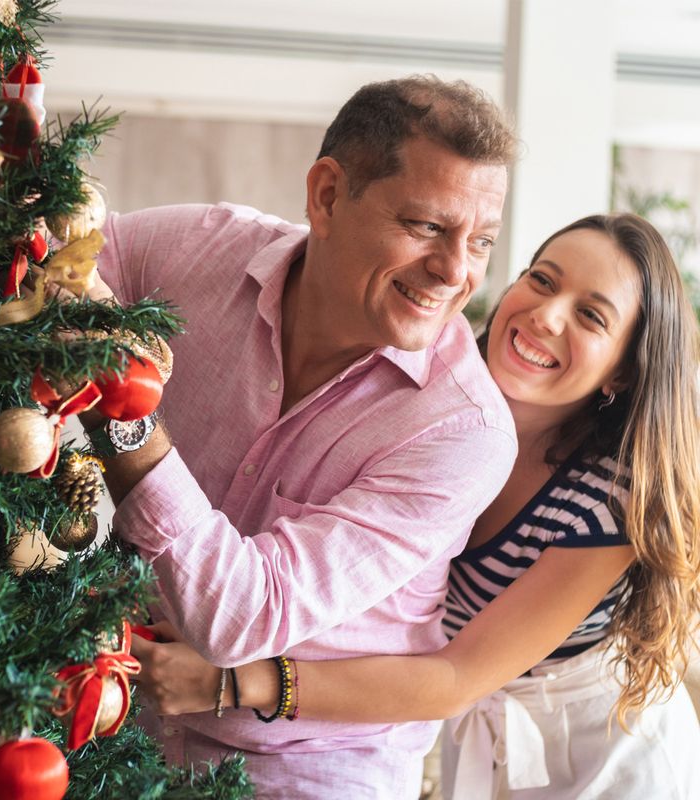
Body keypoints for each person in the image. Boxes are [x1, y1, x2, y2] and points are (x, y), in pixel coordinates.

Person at [134, 213, 700, 799]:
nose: (547, 316)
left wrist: (235, 682)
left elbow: (457, 676)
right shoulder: (437, 399)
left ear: (622, 372)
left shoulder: (609, 503)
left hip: (595, 750)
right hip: (464, 724)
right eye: (542, 280)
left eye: (591, 316)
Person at [78, 75, 519, 798]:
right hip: (116, 716)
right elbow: (55, 262)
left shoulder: (463, 430)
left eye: (482, 242)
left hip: (307, 766)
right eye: (427, 227)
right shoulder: (200, 251)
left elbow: (242, 616)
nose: (455, 271)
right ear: (327, 195)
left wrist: (120, 411)